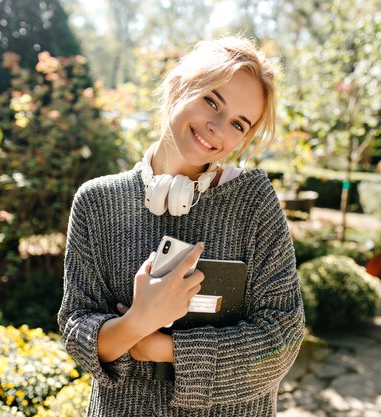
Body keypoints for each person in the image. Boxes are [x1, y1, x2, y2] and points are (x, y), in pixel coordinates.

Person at [58, 36, 305, 417]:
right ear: (177, 86)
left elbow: (283, 338)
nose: (218, 129)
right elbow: (77, 327)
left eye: (239, 124)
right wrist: (138, 322)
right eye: (211, 100)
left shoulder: (254, 201)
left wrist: (165, 349)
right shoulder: (97, 201)